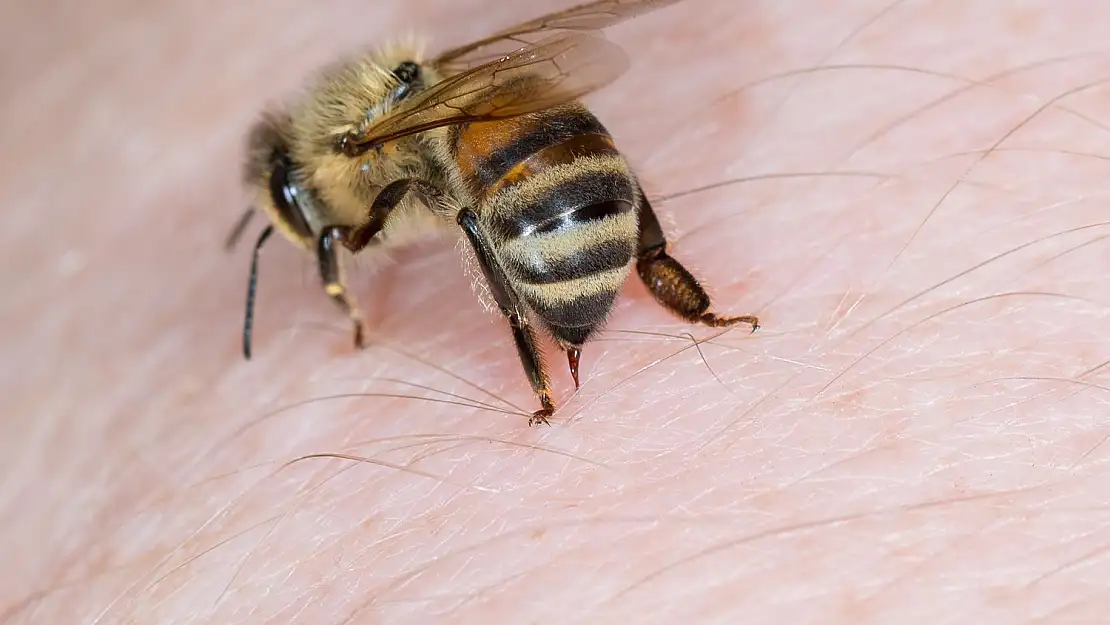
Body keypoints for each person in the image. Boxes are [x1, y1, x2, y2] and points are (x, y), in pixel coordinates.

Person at [5, 1, 1106, 622]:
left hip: (537, 195)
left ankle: (546, 368)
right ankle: (679, 300)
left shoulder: (359, 154)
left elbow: (420, 210)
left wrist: (343, 281)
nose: (315, 230)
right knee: (515, 178)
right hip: (554, 150)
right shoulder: (421, 94)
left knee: (493, 201)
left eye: (304, 217)